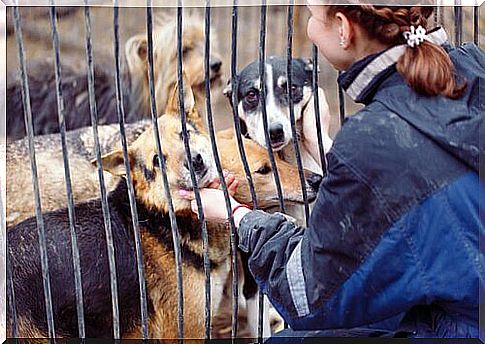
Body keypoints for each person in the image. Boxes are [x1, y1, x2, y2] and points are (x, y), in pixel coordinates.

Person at [180, 3, 484, 339]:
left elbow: (307, 296)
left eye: (312, 17)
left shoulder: (373, 136)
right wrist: (321, 145)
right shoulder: (471, 65)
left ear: (343, 29)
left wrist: (236, 214)